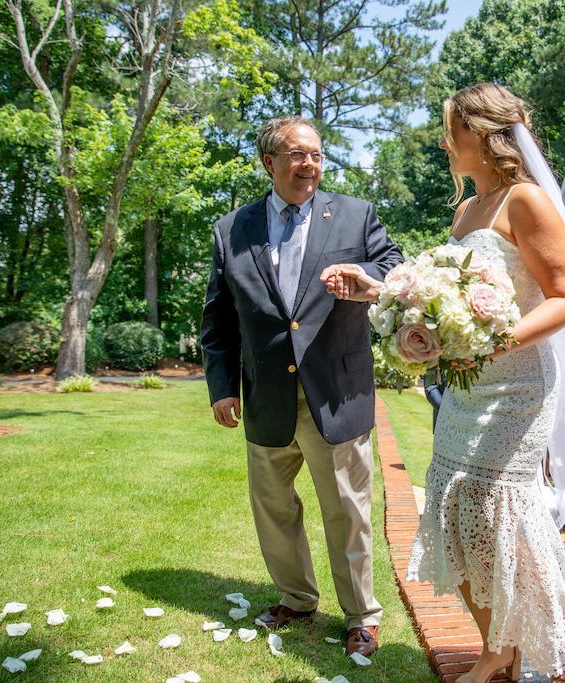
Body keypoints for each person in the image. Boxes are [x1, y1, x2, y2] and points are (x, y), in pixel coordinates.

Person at [324, 83, 565, 683]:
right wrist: (380, 292)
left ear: (481, 134)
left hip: (519, 386)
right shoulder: (466, 212)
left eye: (451, 130)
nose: (444, 142)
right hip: (468, 385)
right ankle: (498, 646)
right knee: (454, 509)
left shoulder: (526, 200)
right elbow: (448, 297)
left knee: (500, 512)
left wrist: (493, 343)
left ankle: (559, 643)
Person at [199, 116, 403, 658]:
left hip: (334, 392)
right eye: (296, 154)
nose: (308, 164)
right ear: (269, 162)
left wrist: (361, 275)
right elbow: (218, 319)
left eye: (315, 154)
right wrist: (222, 386)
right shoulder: (232, 228)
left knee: (347, 511)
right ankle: (297, 598)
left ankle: (361, 616)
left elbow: (394, 266)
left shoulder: (356, 215)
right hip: (265, 396)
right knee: (273, 509)